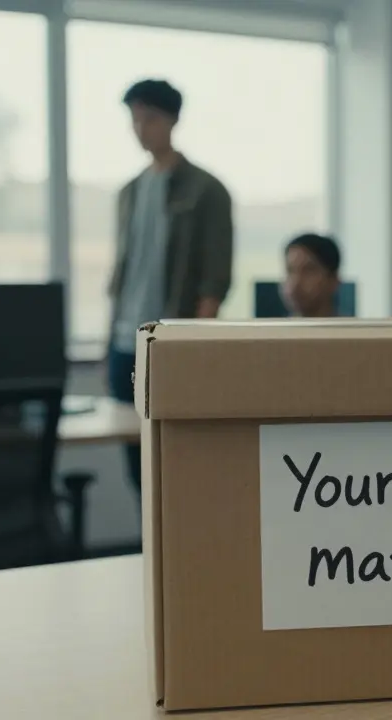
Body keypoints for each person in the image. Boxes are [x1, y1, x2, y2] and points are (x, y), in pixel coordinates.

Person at [106, 79, 233, 493]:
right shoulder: (129, 192)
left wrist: (193, 343)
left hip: (172, 342)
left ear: (172, 120)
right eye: (135, 119)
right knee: (135, 465)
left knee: (177, 462)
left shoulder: (205, 190)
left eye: (150, 118)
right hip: (124, 342)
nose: (141, 128)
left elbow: (214, 277)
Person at [282, 233, 342, 318]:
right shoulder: (272, 331)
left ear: (333, 280)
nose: (295, 282)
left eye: (308, 271)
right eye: (290, 271)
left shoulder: (353, 331)